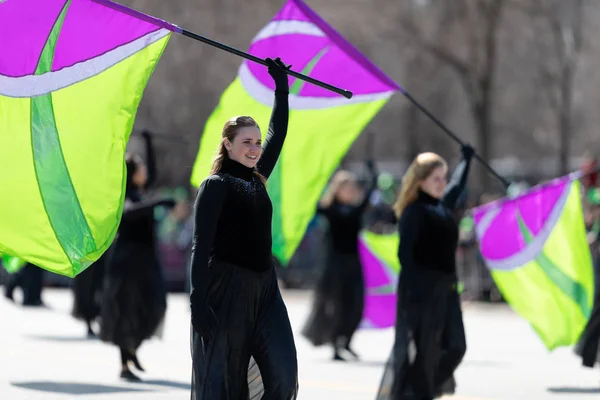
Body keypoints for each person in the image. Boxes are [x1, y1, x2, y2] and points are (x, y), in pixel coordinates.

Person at [189, 57, 298, 399]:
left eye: (255, 142)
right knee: (222, 386)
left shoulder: (258, 179)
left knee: (284, 378)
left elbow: (277, 133)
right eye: (246, 142)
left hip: (265, 289)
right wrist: (197, 300)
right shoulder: (216, 185)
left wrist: (282, 88)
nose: (254, 148)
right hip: (226, 290)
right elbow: (200, 244)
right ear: (228, 145)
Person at [376, 145, 474, 400]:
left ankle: (419, 392)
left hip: (448, 291)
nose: (442, 183)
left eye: (443, 177)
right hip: (421, 293)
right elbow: (404, 255)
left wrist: (466, 160)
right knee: (423, 354)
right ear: (420, 181)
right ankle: (418, 393)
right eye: (436, 179)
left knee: (456, 347)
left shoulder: (442, 206)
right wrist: (417, 293)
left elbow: (457, 185)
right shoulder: (414, 211)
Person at [100, 130, 175, 381]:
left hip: (145, 261)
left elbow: (152, 174)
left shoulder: (141, 193)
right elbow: (131, 213)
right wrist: (159, 202)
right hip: (126, 262)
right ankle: (124, 365)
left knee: (154, 306)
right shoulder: (123, 196)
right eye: (140, 167)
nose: (144, 171)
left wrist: (148, 141)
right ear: (132, 173)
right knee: (126, 311)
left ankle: (133, 349)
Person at [302, 161, 377, 361]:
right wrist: (317, 175)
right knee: (336, 306)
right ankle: (336, 346)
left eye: (352, 187)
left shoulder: (355, 210)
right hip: (334, 266)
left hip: (353, 264)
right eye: (346, 187)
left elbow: (371, 192)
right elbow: (309, 200)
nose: (350, 191)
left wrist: (372, 172)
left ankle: (347, 341)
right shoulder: (329, 210)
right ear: (337, 189)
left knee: (357, 306)